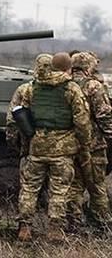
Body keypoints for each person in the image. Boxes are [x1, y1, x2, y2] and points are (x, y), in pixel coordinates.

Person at [16, 52, 92, 242]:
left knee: (29, 188)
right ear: (68, 68)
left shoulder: (32, 87)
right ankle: (55, 230)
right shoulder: (71, 88)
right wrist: (85, 145)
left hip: (38, 145)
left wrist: (27, 144)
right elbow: (82, 122)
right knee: (59, 190)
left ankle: (24, 228)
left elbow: (23, 117)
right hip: (63, 148)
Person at [65, 52, 112, 229]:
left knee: (74, 186)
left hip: (71, 143)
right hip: (93, 146)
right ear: (89, 66)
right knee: (97, 186)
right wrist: (109, 134)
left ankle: (72, 223)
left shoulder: (66, 84)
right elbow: (104, 114)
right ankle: (102, 224)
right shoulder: (93, 86)